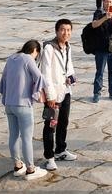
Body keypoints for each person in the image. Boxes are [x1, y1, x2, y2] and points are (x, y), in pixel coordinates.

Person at [0, 40, 48, 181]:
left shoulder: (11, 58)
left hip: (9, 104)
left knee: (13, 135)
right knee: (26, 138)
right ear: (35, 51)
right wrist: (37, 92)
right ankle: (31, 169)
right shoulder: (28, 58)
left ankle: (18, 166)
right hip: (23, 105)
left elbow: (3, 80)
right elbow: (39, 77)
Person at [39, 18, 77, 171]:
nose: (66, 33)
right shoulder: (49, 48)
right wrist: (50, 96)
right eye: (63, 30)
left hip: (65, 91)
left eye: (68, 30)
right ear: (56, 31)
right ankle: (49, 157)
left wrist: (71, 78)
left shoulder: (68, 47)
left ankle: (61, 149)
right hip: (53, 95)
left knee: (63, 122)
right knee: (50, 125)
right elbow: (45, 73)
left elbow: (69, 67)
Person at [91, 0, 112, 102]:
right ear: (103, 2)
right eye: (106, 1)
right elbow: (94, 24)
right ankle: (97, 92)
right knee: (99, 71)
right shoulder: (98, 12)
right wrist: (105, 17)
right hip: (100, 47)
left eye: (110, 1)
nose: (108, 4)